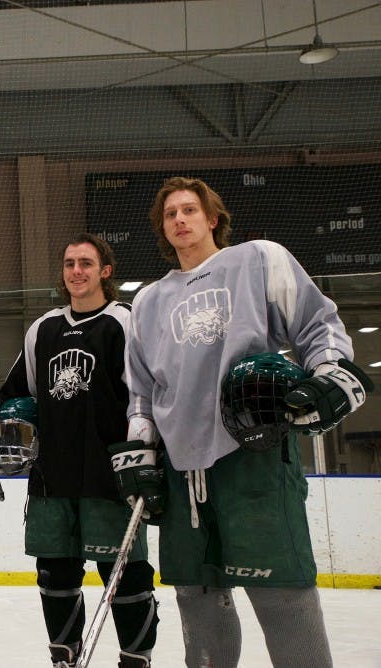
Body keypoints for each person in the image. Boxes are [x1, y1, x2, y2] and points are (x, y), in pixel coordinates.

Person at [114, 176, 373, 667]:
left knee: (281, 593)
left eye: (190, 210)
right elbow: (142, 392)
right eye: (170, 214)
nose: (180, 220)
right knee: (196, 597)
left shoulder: (256, 259)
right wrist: (141, 448)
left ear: (212, 218)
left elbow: (318, 325)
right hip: (179, 468)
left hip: (254, 452)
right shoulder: (148, 301)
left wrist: (329, 373)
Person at [0, 233, 159, 668]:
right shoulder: (43, 329)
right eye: (69, 263)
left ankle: (135, 657)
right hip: (53, 478)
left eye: (86, 263)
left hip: (112, 477)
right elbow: (18, 394)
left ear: (106, 271)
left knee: (124, 575)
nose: (76, 271)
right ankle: (64, 655)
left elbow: (150, 395)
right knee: (55, 575)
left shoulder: (125, 322)